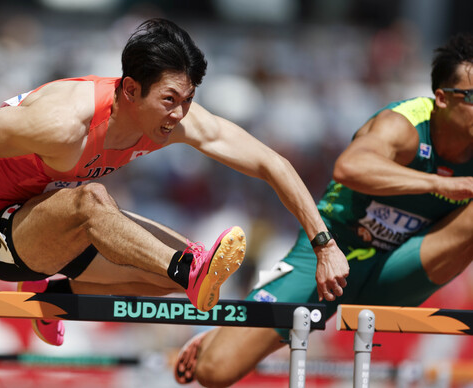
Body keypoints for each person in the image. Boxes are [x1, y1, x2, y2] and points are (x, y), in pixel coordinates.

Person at [0, 18, 348, 347]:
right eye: (169, 101)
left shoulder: (173, 117)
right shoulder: (60, 123)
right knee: (93, 201)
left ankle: (53, 294)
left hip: (58, 224)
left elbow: (270, 163)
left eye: (188, 101)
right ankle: (188, 266)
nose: (180, 115)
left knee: (178, 278)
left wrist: (324, 244)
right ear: (130, 89)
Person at [174, 32, 473, 387]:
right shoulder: (405, 126)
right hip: (330, 257)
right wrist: (442, 184)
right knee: (213, 372)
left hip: (402, 267)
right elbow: (350, 168)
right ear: (442, 98)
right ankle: (215, 338)